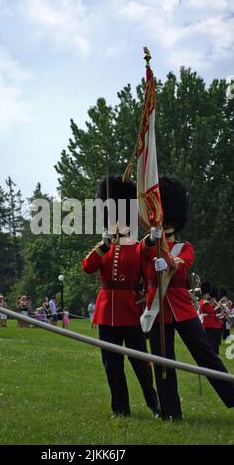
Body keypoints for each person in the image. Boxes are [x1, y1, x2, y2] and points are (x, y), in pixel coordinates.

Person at [140, 176, 234, 421]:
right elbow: (140, 261)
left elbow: (181, 266)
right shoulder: (148, 245)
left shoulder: (185, 247)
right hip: (157, 308)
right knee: (162, 361)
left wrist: (168, 260)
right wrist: (152, 240)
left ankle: (232, 395)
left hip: (181, 307)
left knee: (205, 354)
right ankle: (170, 410)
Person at [82, 176, 159, 418]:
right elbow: (87, 266)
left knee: (141, 364)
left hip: (130, 311)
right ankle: (120, 408)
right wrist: (103, 246)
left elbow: (146, 251)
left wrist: (154, 237)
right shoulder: (103, 247)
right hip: (107, 313)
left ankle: (154, 403)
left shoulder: (136, 246)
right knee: (112, 366)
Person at [200, 282, 223, 354]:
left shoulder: (203, 301)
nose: (208, 295)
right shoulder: (205, 302)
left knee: (210, 340)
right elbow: (211, 312)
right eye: (207, 293)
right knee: (210, 340)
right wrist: (217, 307)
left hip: (208, 322)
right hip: (208, 323)